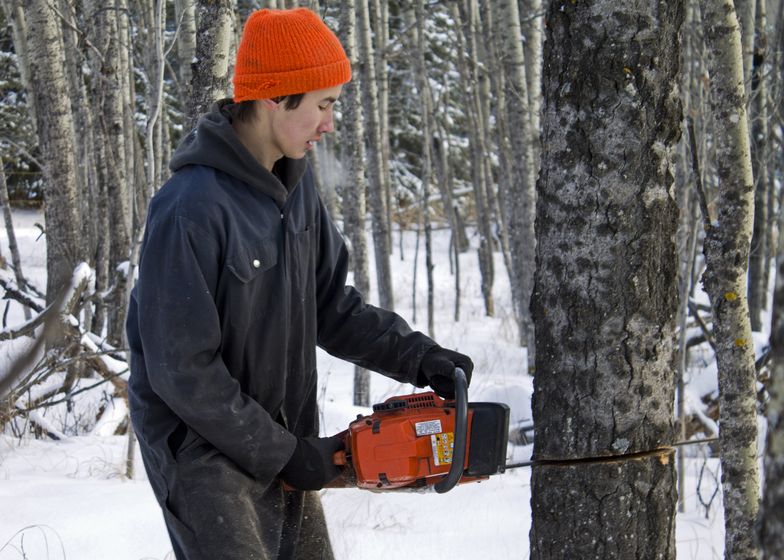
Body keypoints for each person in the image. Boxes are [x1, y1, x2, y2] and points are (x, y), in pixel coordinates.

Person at [126, 7, 473, 560]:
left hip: (281, 435)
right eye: (323, 104)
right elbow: (181, 370)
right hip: (204, 455)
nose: (330, 122)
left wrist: (421, 358)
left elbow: (332, 307)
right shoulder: (190, 208)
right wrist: (282, 453)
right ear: (273, 98)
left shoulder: (295, 190)